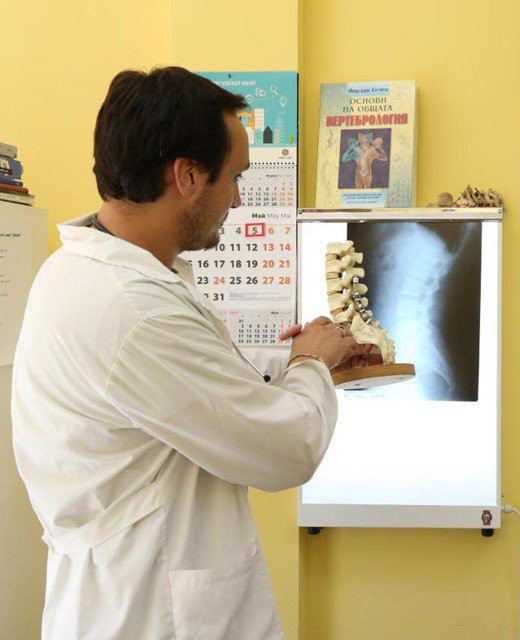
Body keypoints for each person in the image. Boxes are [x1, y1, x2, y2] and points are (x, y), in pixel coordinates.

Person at [11, 67, 370, 639]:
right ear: (188, 175)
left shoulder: (86, 272)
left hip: (130, 590)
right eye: (235, 177)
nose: (238, 198)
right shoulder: (133, 308)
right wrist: (310, 365)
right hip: (151, 610)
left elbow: (192, 385)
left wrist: (296, 359)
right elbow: (288, 448)